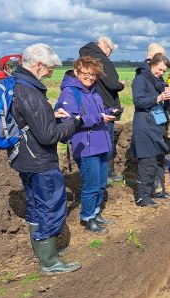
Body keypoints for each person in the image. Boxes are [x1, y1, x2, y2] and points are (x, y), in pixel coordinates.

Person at [10, 43, 82, 274]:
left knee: (35, 205)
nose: (52, 72)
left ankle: (46, 253)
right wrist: (72, 122)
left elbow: (29, 121)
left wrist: (50, 114)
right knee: (49, 206)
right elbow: (49, 135)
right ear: (38, 64)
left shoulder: (19, 85)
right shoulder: (29, 91)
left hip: (26, 157)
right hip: (39, 161)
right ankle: (50, 262)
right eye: (50, 67)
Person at [57, 56, 116, 234]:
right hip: (85, 145)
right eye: (86, 74)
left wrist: (107, 112)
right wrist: (99, 117)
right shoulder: (69, 92)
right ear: (76, 72)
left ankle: (96, 213)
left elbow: (95, 113)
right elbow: (70, 120)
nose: (90, 78)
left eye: (93, 75)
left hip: (101, 142)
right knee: (91, 185)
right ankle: (88, 217)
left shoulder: (93, 91)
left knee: (100, 183)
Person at [131, 53, 170, 207]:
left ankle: (158, 191)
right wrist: (158, 98)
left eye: (164, 71)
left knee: (158, 161)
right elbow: (138, 101)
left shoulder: (158, 82)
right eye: (160, 69)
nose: (161, 73)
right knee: (147, 162)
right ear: (152, 64)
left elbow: (167, 106)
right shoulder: (140, 79)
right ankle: (143, 197)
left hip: (157, 126)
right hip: (144, 126)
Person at [79, 36, 125, 184]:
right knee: (107, 139)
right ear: (104, 46)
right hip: (106, 105)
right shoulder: (102, 60)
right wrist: (121, 85)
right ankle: (107, 174)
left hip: (88, 105)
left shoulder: (84, 57)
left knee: (92, 139)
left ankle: (94, 174)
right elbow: (112, 84)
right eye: (110, 51)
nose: (109, 54)